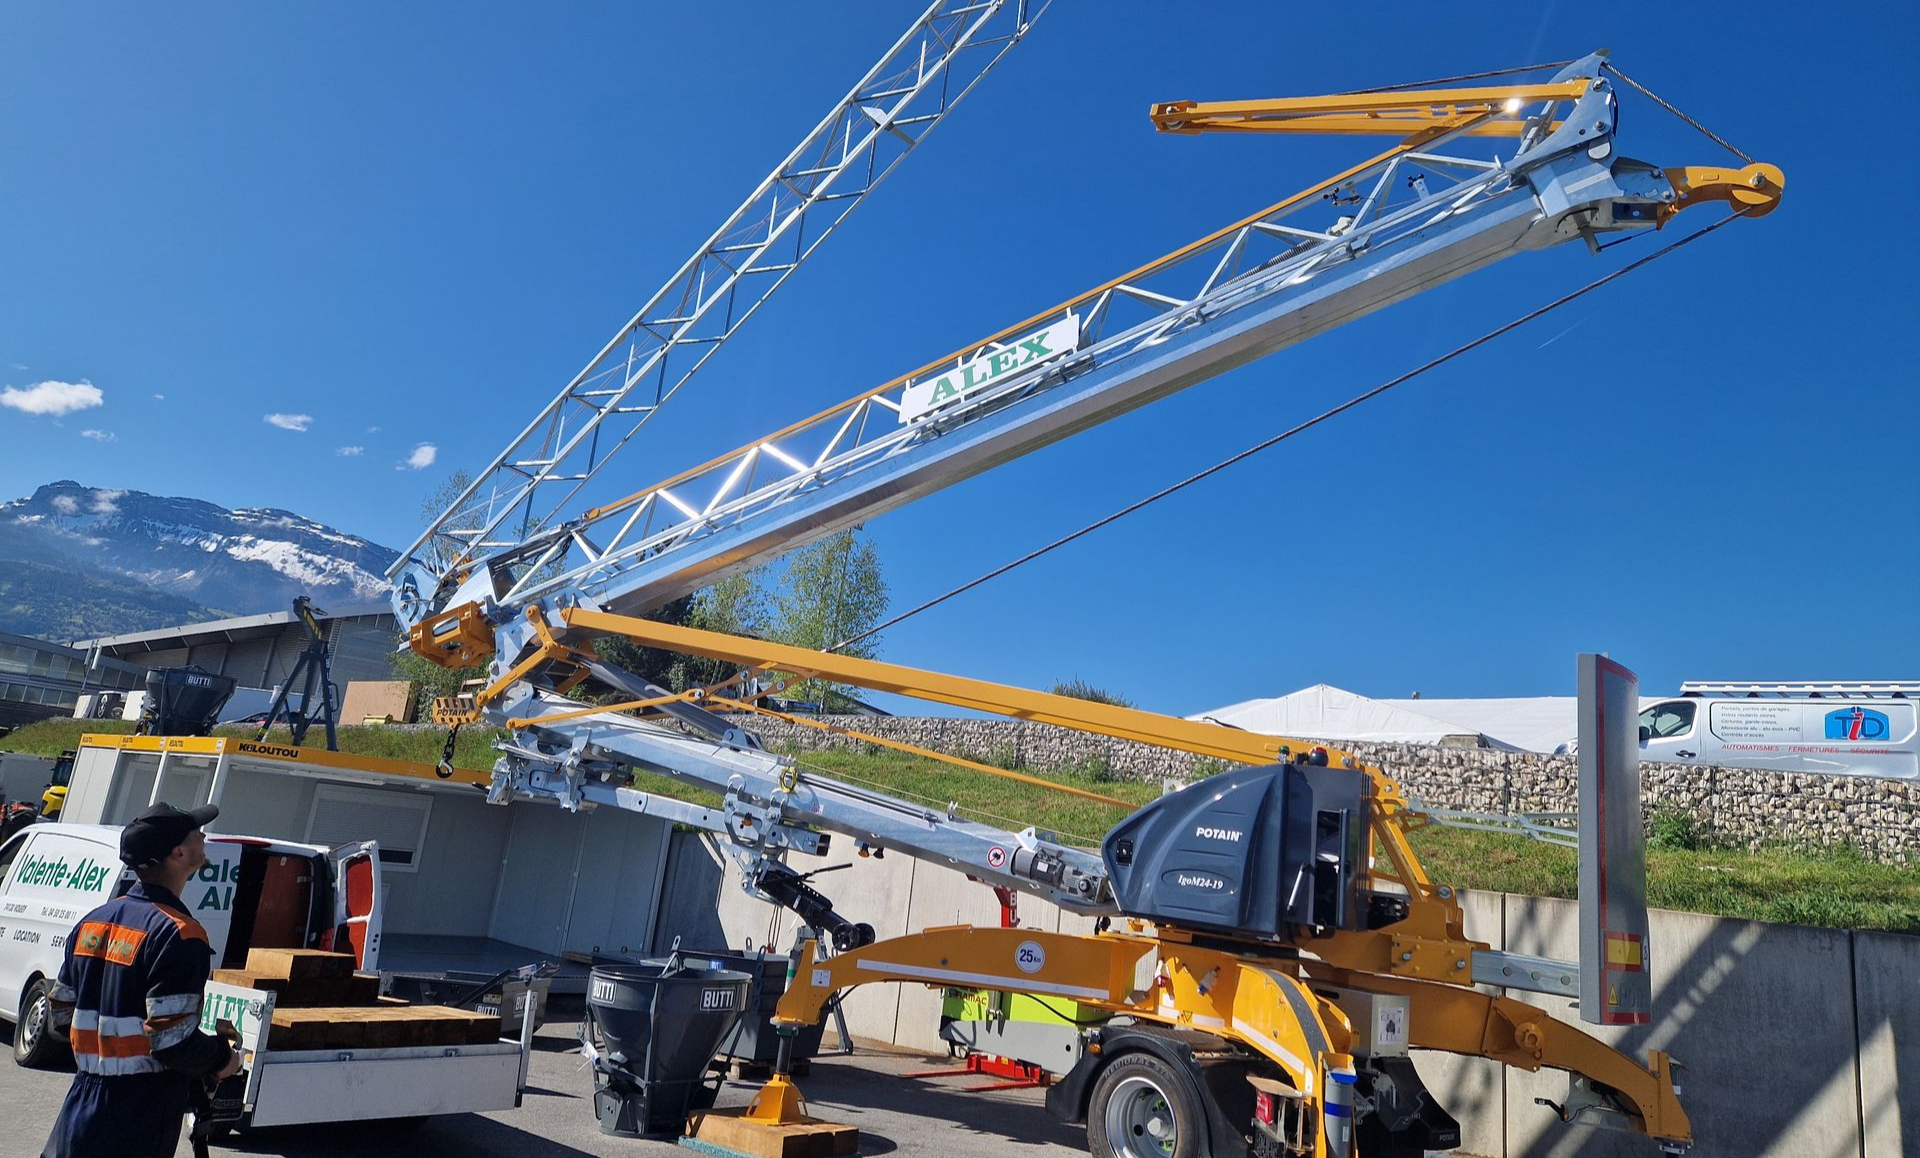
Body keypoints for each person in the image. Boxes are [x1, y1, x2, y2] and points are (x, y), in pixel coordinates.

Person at [40, 803, 243, 1158]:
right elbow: (172, 1042)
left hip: (80, 1106)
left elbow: (59, 1019)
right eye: (196, 830)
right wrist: (222, 1059)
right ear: (178, 853)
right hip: (138, 1113)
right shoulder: (179, 934)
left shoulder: (92, 923)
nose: (204, 835)